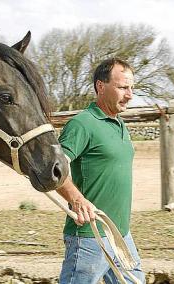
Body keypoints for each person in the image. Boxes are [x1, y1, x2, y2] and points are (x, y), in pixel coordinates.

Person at [57, 58, 145, 284]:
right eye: (123, 87)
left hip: (121, 234)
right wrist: (76, 199)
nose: (130, 95)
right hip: (89, 237)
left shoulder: (119, 123)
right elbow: (55, 169)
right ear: (101, 86)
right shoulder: (82, 124)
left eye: (131, 88)